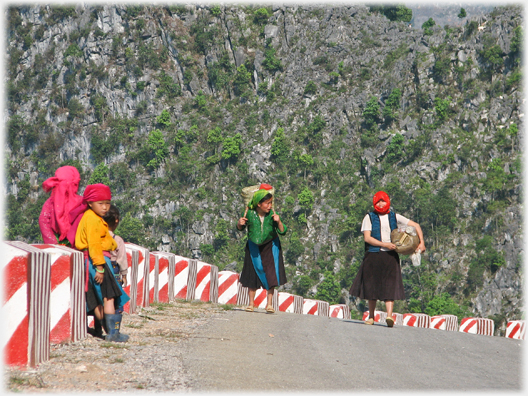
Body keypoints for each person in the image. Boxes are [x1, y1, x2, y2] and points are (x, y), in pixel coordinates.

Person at [349, 191, 426, 327]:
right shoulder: (369, 217)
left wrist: (422, 243)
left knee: (390, 286)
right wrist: (384, 244)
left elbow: (416, 226)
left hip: (390, 256)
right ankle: (371, 316)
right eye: (378, 201)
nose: (380, 204)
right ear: (374, 203)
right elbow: (367, 238)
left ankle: (389, 316)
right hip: (373, 255)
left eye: (383, 201)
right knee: (371, 287)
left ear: (387, 201)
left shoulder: (394, 216)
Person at [68, 183, 130, 342]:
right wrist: (101, 268)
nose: (105, 207)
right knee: (109, 296)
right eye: (100, 203)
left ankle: (102, 330)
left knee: (95, 299)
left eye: (107, 203)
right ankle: (112, 333)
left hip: (89, 261)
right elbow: (94, 245)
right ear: (90, 203)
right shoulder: (93, 220)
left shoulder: (90, 217)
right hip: (98, 261)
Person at [237, 184, 287, 313]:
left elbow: (282, 231)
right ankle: (251, 304)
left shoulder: (273, 216)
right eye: (267, 203)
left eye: (271, 203)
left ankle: (269, 304)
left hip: (271, 246)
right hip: (253, 246)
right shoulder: (250, 214)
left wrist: (279, 222)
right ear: (259, 204)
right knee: (252, 274)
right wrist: (240, 224)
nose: (270, 206)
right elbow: (241, 227)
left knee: (271, 274)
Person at [39, 165, 83, 245]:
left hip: (58, 243)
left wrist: (53, 244)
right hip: (77, 246)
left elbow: (43, 221)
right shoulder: (81, 202)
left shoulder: (50, 202)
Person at [104, 205, 128, 290]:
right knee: (113, 298)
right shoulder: (118, 240)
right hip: (114, 272)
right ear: (116, 222)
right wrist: (124, 275)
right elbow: (122, 259)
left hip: (98, 270)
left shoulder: (97, 236)